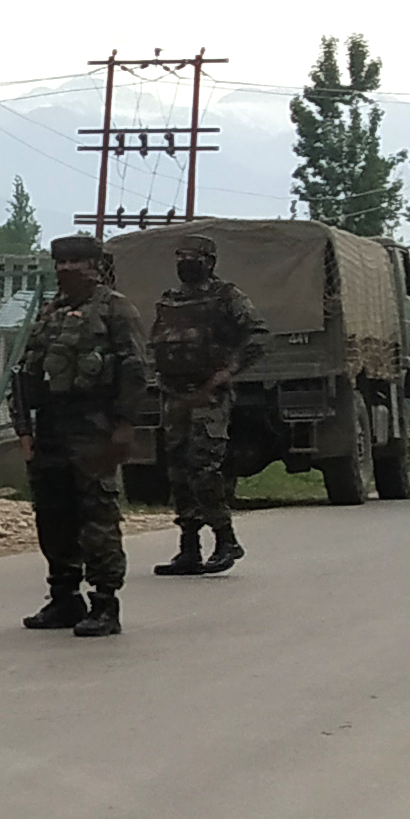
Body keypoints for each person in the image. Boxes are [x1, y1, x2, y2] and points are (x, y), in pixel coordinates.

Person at [10, 234, 149, 637]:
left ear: (96, 266)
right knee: (53, 513)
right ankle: (64, 596)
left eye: (76, 261)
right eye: (61, 261)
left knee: (97, 514)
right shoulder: (51, 312)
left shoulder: (116, 309)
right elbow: (27, 373)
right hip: (51, 428)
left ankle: (105, 602)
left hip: (95, 428)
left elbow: (135, 369)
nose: (67, 268)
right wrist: (24, 430)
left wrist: (124, 425)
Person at [148, 234, 268, 575]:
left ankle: (226, 539)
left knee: (204, 469)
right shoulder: (170, 300)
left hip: (208, 395)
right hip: (175, 396)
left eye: (193, 256)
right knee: (177, 471)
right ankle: (189, 548)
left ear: (210, 261)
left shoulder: (227, 297)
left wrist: (228, 372)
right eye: (180, 255)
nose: (185, 262)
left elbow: (258, 334)